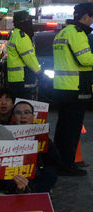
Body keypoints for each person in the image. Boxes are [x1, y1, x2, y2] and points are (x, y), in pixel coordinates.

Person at [52, 2, 93, 176]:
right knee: (71, 130)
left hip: (63, 87)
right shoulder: (77, 33)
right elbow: (85, 59)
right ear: (85, 16)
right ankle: (67, 165)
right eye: (91, 16)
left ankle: (60, 162)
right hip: (75, 87)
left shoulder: (63, 31)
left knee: (63, 128)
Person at [10, 101, 59, 192]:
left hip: (36, 175)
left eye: (27, 112)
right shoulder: (5, 134)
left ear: (32, 117)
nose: (23, 116)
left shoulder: (42, 136)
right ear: (13, 117)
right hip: (12, 175)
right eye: (18, 113)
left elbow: (53, 161)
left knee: (50, 175)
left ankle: (32, 192)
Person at [7, 11, 41, 99]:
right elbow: (28, 57)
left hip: (15, 77)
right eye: (29, 19)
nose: (30, 22)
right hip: (22, 77)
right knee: (23, 103)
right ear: (23, 21)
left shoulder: (15, 34)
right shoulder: (22, 36)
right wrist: (39, 72)